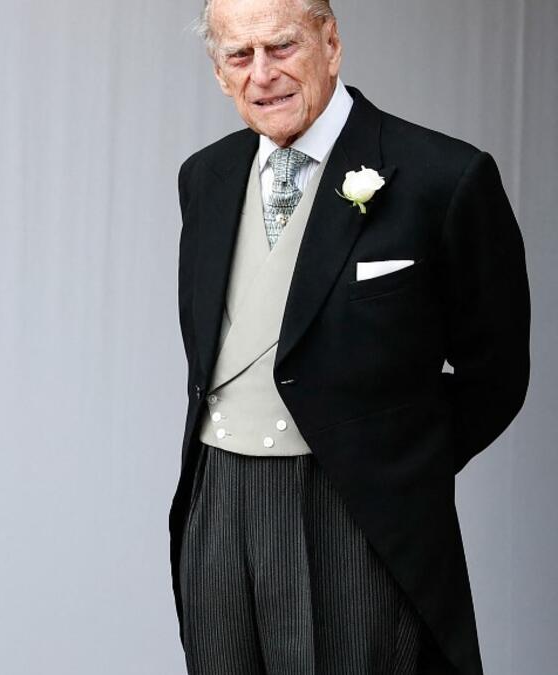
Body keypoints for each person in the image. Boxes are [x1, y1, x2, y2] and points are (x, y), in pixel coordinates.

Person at [171, 1, 529, 673]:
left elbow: (498, 370)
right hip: (216, 498)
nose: (262, 74)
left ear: (329, 43)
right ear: (219, 72)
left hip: (352, 508)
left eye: (280, 47)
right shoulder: (205, 177)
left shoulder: (442, 176)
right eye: (238, 56)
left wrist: (392, 462)